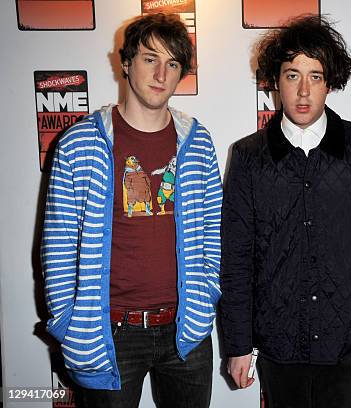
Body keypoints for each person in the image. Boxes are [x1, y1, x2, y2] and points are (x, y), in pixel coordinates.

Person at [41, 13, 222, 408]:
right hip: (109, 334)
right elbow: (57, 242)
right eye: (149, 59)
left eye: (172, 63)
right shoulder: (78, 144)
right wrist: (70, 323)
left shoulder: (199, 142)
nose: (161, 73)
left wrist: (206, 296)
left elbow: (214, 230)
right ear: (125, 63)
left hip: (185, 333)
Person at [220, 14, 351, 408]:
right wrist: (239, 342)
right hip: (278, 338)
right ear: (275, 80)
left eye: (315, 76)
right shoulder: (248, 156)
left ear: (331, 81)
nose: (303, 91)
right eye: (293, 75)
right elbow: (236, 257)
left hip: (345, 338)